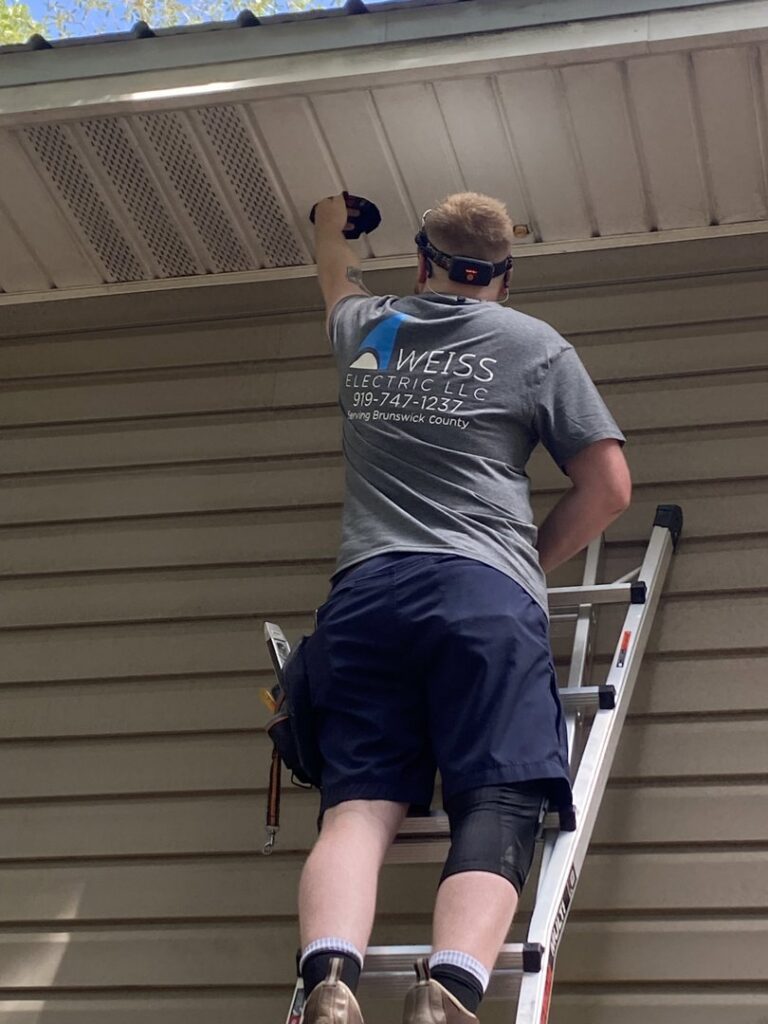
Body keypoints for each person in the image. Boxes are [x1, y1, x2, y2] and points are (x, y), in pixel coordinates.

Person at [295, 192, 631, 1024]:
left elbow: (335, 275)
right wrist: (524, 564)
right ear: (504, 278)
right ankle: (447, 994)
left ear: (422, 263)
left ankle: (331, 983)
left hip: (364, 595)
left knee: (358, 805)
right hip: (482, 595)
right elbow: (609, 488)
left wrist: (331, 225)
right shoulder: (535, 346)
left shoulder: (367, 328)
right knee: (500, 796)